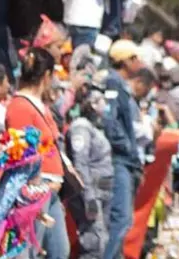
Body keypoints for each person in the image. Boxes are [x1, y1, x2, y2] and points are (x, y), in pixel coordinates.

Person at [5, 47, 68, 259]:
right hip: (35, 190)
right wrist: (35, 185)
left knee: (59, 251)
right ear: (47, 75)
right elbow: (21, 152)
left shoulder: (39, 105)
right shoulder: (21, 106)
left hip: (49, 190)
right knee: (29, 252)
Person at [102, 38, 143, 259]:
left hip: (125, 160)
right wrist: (126, 147)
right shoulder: (113, 83)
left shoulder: (120, 84)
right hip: (119, 160)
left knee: (122, 220)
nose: (139, 62)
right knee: (121, 219)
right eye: (135, 58)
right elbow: (110, 121)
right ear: (124, 61)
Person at [68, 82, 114, 259]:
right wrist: (89, 198)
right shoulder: (81, 127)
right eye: (102, 100)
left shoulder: (94, 127)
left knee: (101, 241)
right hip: (90, 194)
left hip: (101, 192)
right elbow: (80, 164)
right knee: (94, 243)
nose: (106, 105)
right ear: (93, 104)